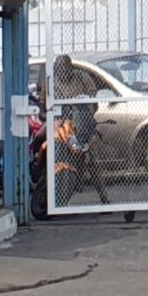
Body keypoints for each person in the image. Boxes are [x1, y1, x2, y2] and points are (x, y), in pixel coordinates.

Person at [47, 55, 108, 206]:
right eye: (58, 69)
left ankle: (104, 198)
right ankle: (55, 198)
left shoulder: (83, 78)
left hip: (83, 123)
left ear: (71, 68)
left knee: (91, 159)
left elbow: (94, 104)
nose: (62, 73)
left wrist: (82, 109)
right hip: (62, 125)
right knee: (56, 155)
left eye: (65, 69)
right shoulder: (52, 83)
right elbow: (46, 107)